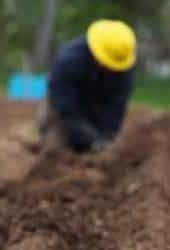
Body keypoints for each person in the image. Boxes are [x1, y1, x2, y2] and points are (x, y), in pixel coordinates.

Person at [38, 20, 136, 155]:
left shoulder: (123, 65)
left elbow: (116, 107)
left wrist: (105, 137)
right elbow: (64, 107)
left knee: (105, 147)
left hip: (98, 103)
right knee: (56, 148)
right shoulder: (69, 61)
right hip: (66, 106)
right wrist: (87, 138)